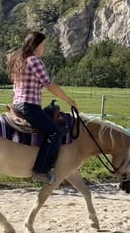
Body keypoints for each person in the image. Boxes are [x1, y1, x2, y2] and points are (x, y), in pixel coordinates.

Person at [7, 31, 78, 184]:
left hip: (18, 104)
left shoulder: (19, 60)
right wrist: (68, 99)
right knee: (54, 132)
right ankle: (40, 170)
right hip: (30, 106)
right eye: (43, 45)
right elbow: (49, 85)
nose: (44, 48)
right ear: (35, 45)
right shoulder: (35, 61)